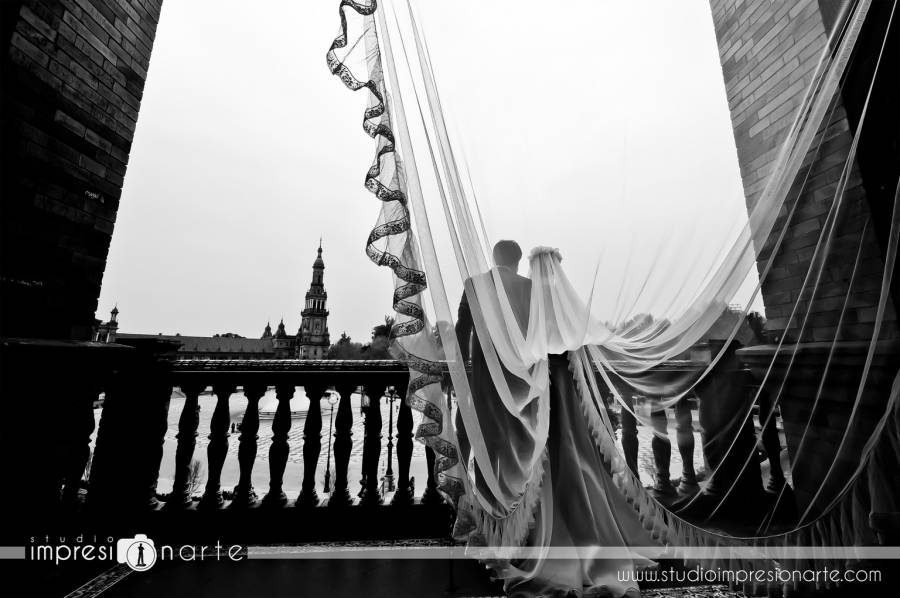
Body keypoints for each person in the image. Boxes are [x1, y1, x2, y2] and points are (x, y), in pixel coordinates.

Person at [452, 244, 655, 597]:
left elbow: (461, 334)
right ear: (517, 261)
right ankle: (523, 532)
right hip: (529, 385)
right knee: (524, 455)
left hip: (488, 382)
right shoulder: (532, 289)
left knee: (492, 451)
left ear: (496, 258)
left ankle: (496, 528)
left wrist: (457, 372)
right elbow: (543, 337)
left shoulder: (475, 284)